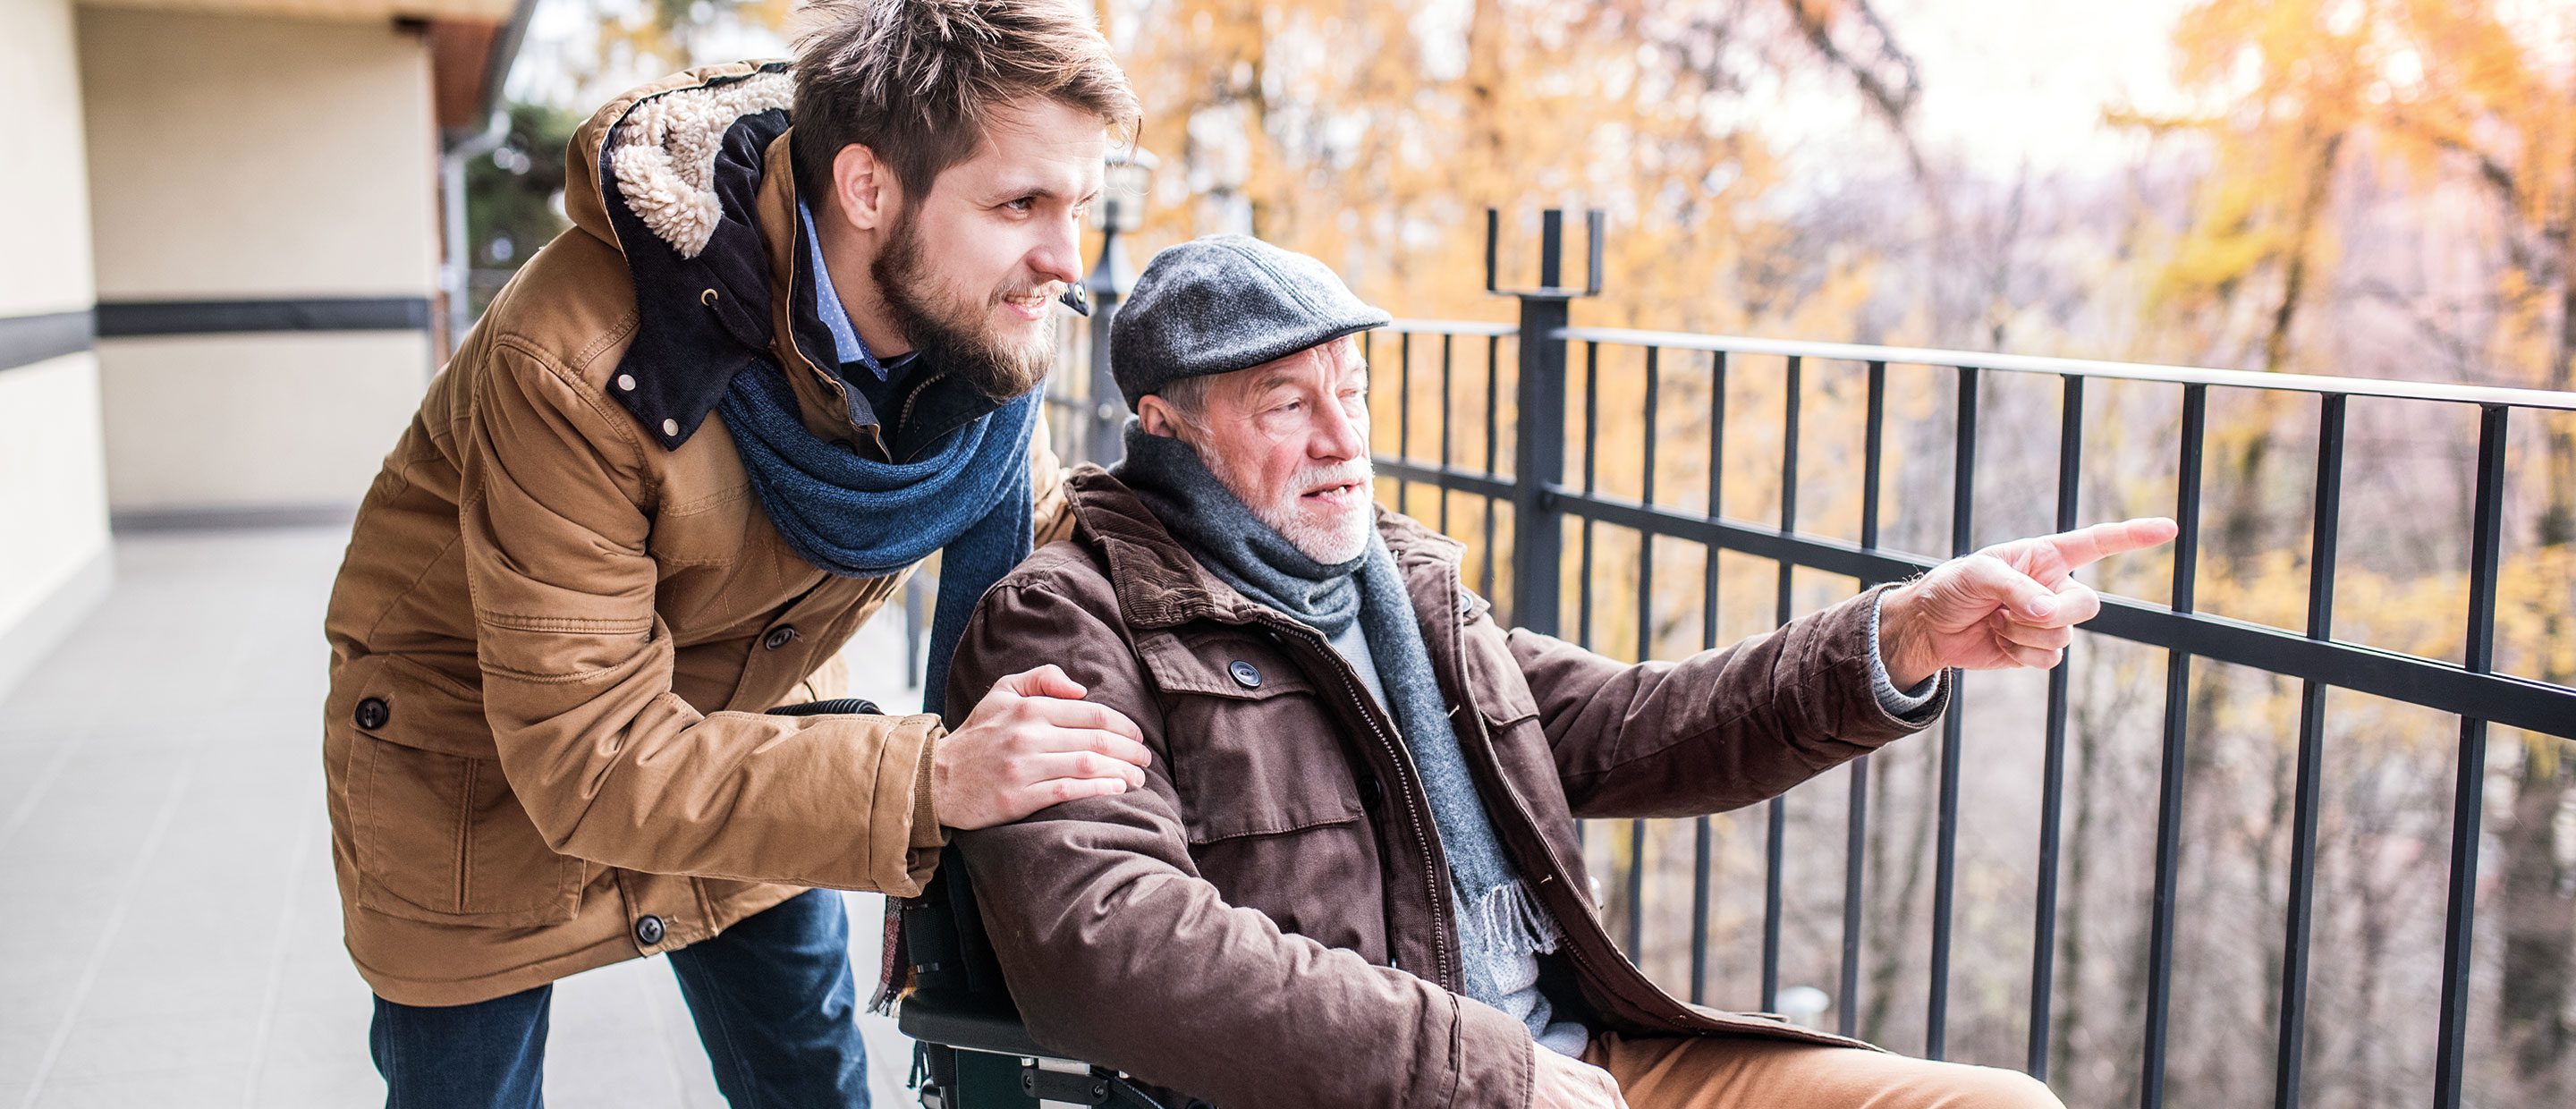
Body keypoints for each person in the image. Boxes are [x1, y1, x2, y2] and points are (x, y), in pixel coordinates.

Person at [939, 234, 2177, 1107]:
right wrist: (1486, 1075)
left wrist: (1900, 635)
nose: (1341, 442)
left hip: (1580, 1062)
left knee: (1998, 1104)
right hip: (1411, 1089)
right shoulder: (1069, 618)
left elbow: (1640, 725)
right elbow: (1114, 946)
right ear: (1166, 428)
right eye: (1283, 404)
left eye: (1353, 393)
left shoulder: (1402, 595)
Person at [318, 2, 1154, 1104]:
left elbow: (1046, 540)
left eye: (1080, 205)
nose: (1065, 261)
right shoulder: (580, 360)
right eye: (1020, 204)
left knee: (811, 1080)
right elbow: (591, 756)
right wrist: (932, 774)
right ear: (866, 189)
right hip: (469, 755)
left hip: (748, 710)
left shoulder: (970, 339)